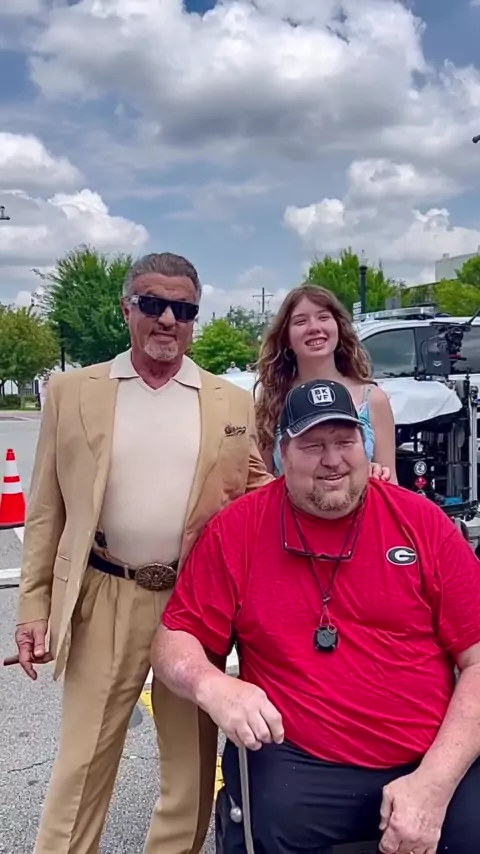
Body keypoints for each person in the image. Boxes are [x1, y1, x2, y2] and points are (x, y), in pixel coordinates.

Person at [152, 379, 480, 854]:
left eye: (346, 442)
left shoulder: (422, 522)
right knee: (268, 824)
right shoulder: (238, 530)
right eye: (313, 445)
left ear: (364, 446)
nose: (333, 459)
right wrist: (213, 685)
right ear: (282, 453)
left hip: (428, 753)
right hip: (300, 757)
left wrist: (433, 782)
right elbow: (173, 639)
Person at [14, 252, 272, 854]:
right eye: (153, 304)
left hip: (194, 602)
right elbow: (46, 509)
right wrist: (33, 608)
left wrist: (351, 486)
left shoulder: (230, 401)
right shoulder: (72, 392)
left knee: (189, 774)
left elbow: (260, 490)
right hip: (106, 592)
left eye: (183, 309)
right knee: (81, 766)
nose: (168, 320)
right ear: (127, 308)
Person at [254, 283, 397, 480]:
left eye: (323, 317)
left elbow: (391, 483)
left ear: (338, 327)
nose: (314, 328)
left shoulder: (373, 399)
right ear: (286, 338)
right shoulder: (271, 400)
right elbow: (261, 482)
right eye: (301, 321)